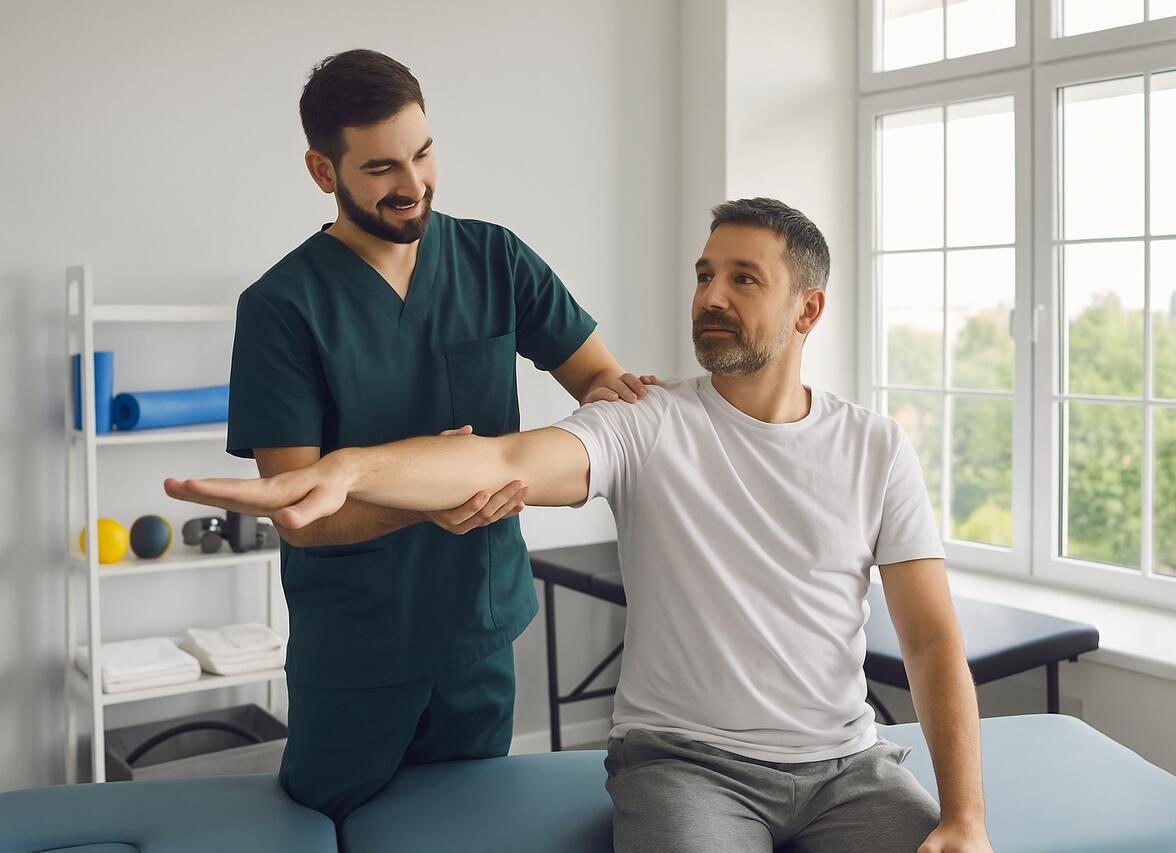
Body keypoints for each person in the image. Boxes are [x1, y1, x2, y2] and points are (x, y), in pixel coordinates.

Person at [174, 198, 992, 852]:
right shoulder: (649, 421)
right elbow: (500, 459)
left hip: (847, 767)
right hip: (689, 765)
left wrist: (965, 816)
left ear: (807, 310)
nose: (711, 296)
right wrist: (347, 469)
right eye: (705, 274)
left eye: (744, 279)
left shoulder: (875, 447)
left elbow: (930, 642)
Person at [225, 48, 652, 823]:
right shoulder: (281, 307)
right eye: (382, 167)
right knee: (336, 830)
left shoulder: (494, 258)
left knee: (469, 829)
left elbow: (602, 382)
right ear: (323, 171)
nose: (414, 183)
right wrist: (430, 496)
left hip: (478, 629)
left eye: (423, 153)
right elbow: (298, 511)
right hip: (356, 648)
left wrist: (622, 414)